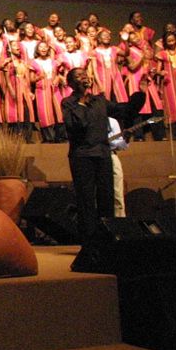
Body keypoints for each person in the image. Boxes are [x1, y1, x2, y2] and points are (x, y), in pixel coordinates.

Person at [61, 67, 142, 241]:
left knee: (106, 197)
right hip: (82, 156)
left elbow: (124, 111)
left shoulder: (100, 101)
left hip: (103, 155)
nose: (84, 77)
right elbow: (79, 124)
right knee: (86, 199)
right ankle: (88, 240)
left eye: (85, 74)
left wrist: (139, 95)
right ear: (70, 83)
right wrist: (82, 99)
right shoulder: (68, 103)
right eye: (78, 76)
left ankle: (106, 238)